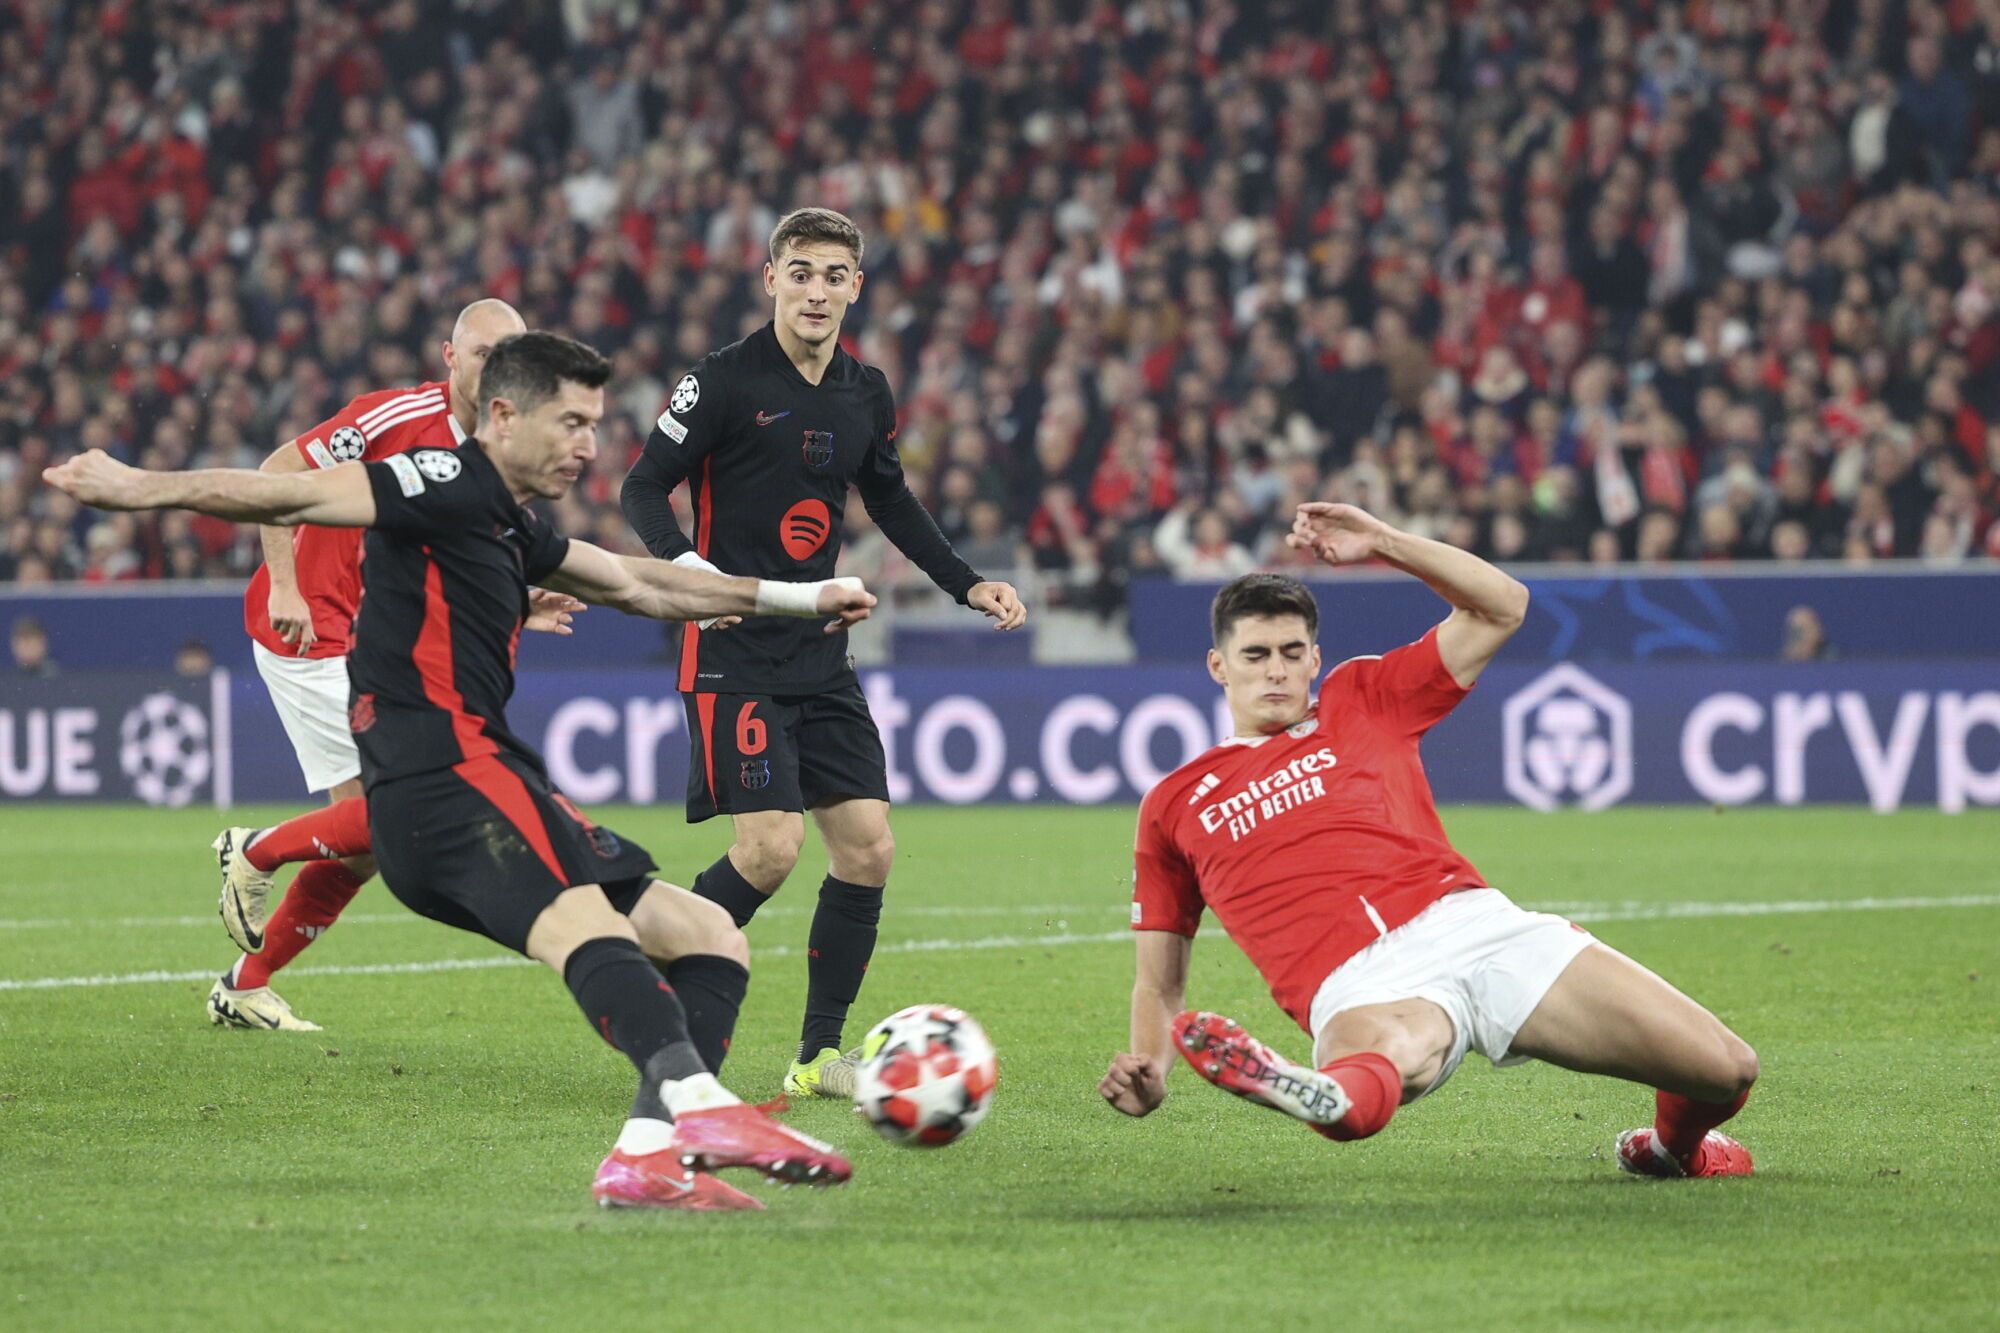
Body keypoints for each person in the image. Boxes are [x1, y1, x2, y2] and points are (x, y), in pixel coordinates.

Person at [45, 331, 875, 1209]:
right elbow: (285, 488)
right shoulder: (437, 478)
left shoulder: (508, 520)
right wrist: (139, 488)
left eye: (594, 424)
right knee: (580, 928)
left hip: (490, 777)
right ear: (504, 415)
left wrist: (797, 596)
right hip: (442, 783)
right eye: (571, 422)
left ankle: (645, 1155)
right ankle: (701, 1104)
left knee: (710, 936)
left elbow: (641, 585)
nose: (589, 445)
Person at [1098, 504, 1759, 1180]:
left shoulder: (1362, 697)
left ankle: (1671, 1150)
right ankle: (1304, 1087)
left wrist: (1384, 541)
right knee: (1368, 1081)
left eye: (1292, 653)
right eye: (1256, 655)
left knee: (1726, 1068)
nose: (1276, 671)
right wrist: (1151, 1067)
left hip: (1477, 924)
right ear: (1218, 665)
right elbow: (1159, 980)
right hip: (1359, 981)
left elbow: (1503, 605)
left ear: (1315, 658)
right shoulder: (1174, 803)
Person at [621, 207, 1028, 1098]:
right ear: (769, 279)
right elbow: (643, 485)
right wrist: (694, 577)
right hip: (733, 647)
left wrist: (966, 583)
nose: (815, 289)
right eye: (798, 271)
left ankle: (818, 1058)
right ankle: (646, 970)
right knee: (769, 850)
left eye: (832, 274)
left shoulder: (864, 391)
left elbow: (891, 499)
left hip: (820, 652)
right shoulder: (723, 381)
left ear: (855, 287)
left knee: (868, 849)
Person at [205, 299, 537, 1033]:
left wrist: (521, 597)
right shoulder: (391, 417)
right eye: (481, 352)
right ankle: (254, 849)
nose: (494, 366)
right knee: (394, 813)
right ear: (450, 358)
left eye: (509, 353)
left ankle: (244, 984)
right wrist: (287, 582)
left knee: (368, 847)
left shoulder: (499, 447)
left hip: (367, 635)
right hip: (308, 626)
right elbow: (276, 471)